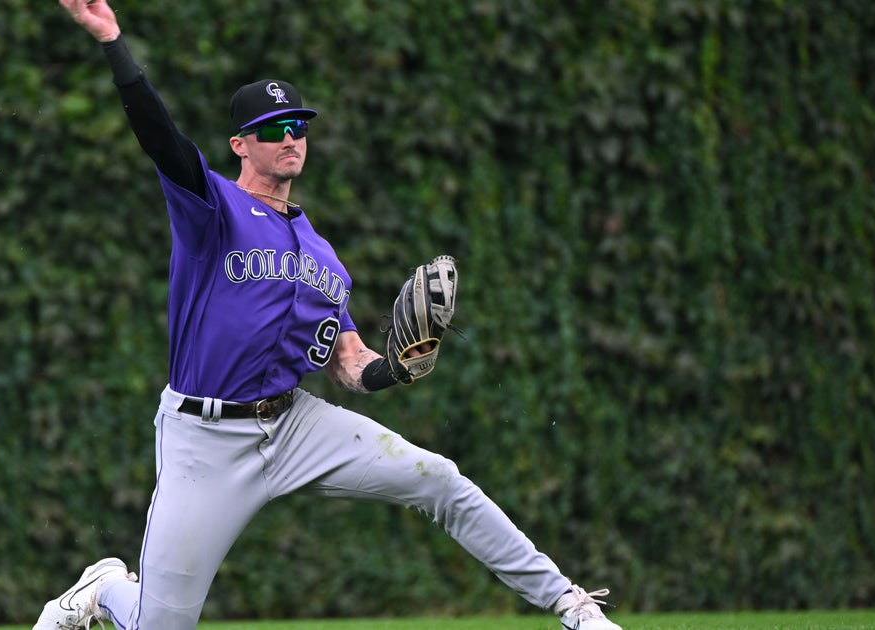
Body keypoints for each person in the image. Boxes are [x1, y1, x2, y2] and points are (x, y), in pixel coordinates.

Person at [38, 2, 624, 629]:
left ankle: (572, 608)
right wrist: (114, 44)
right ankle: (106, 589)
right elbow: (163, 139)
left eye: (297, 125)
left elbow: (349, 365)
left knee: (440, 478)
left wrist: (392, 370)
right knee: (160, 626)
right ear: (240, 145)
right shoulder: (213, 209)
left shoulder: (325, 258)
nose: (289, 136)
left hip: (294, 427)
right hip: (204, 440)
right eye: (271, 128)